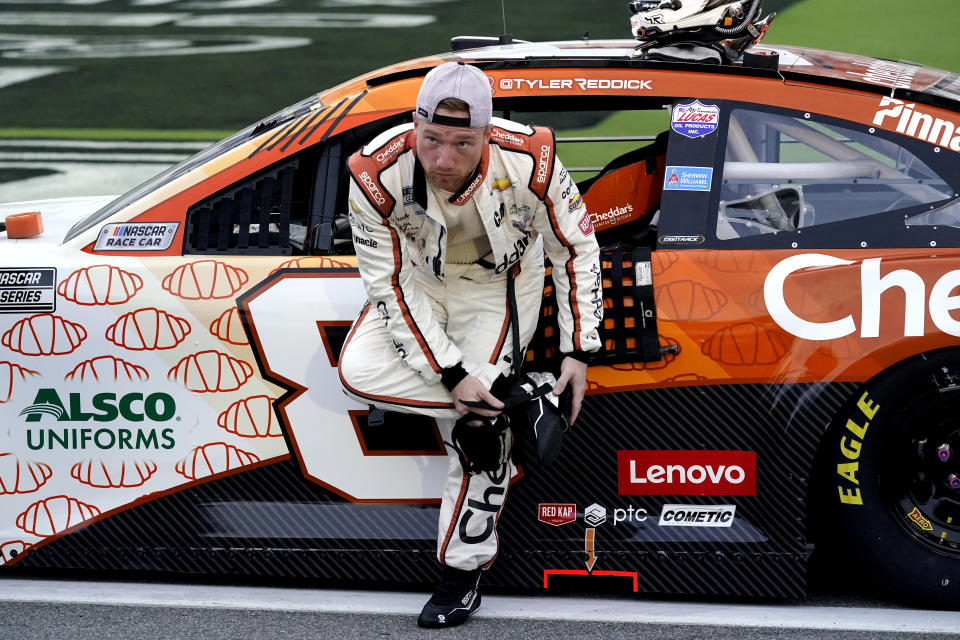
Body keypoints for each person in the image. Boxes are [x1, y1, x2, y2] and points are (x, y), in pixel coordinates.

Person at [338, 61, 602, 628]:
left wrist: (579, 349)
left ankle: (461, 574)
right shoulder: (370, 171)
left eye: (462, 143)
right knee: (357, 370)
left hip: (499, 282)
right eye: (430, 140)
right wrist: (456, 376)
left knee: (478, 434)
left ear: (488, 131)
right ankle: (517, 403)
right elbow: (388, 284)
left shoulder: (535, 157)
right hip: (420, 283)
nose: (443, 160)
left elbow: (575, 248)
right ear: (414, 124)